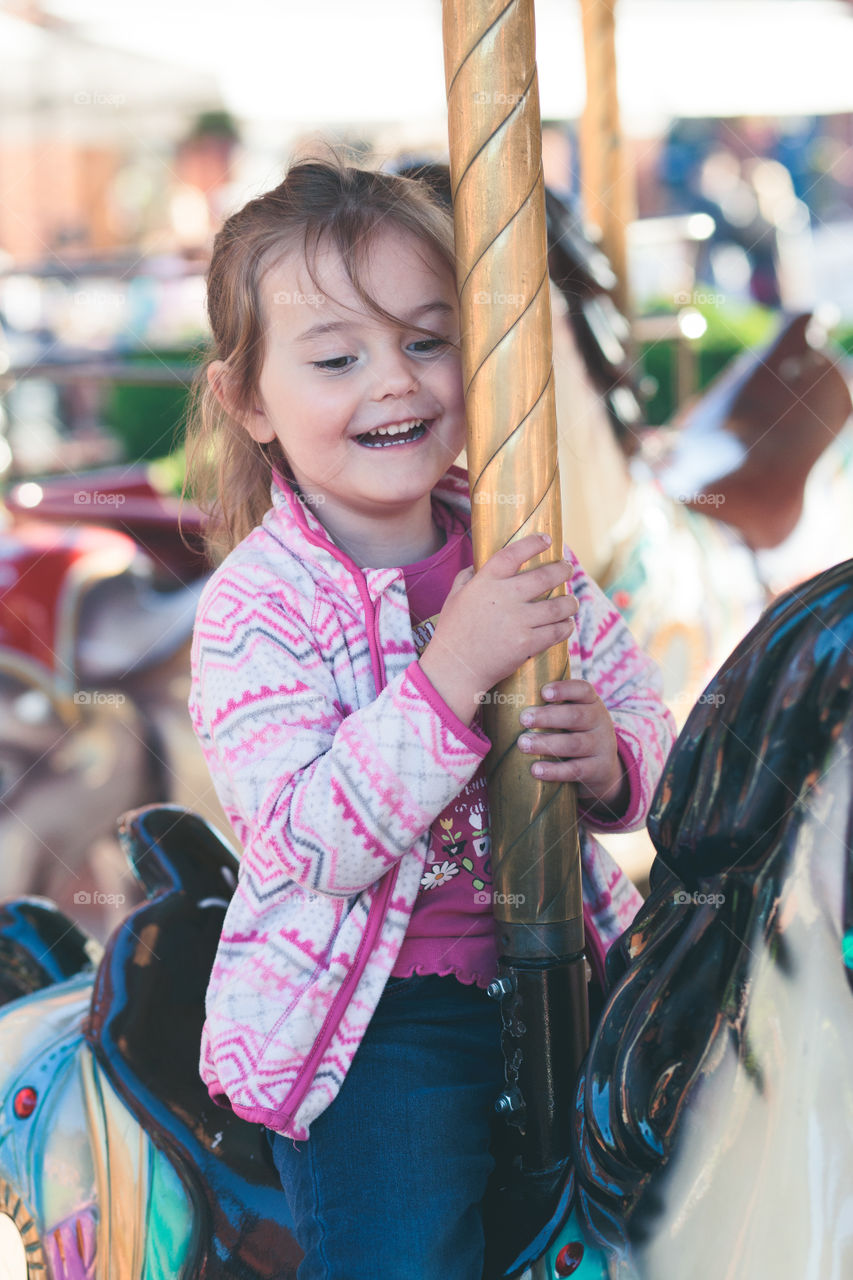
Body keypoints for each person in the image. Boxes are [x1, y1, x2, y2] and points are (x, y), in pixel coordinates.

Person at [186, 157, 676, 1280]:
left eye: (425, 339)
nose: (394, 383)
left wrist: (610, 759)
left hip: (576, 965)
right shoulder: (259, 608)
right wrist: (449, 668)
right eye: (336, 357)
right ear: (247, 399)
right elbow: (311, 839)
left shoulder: (516, 540)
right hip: (373, 1025)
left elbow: (640, 707)